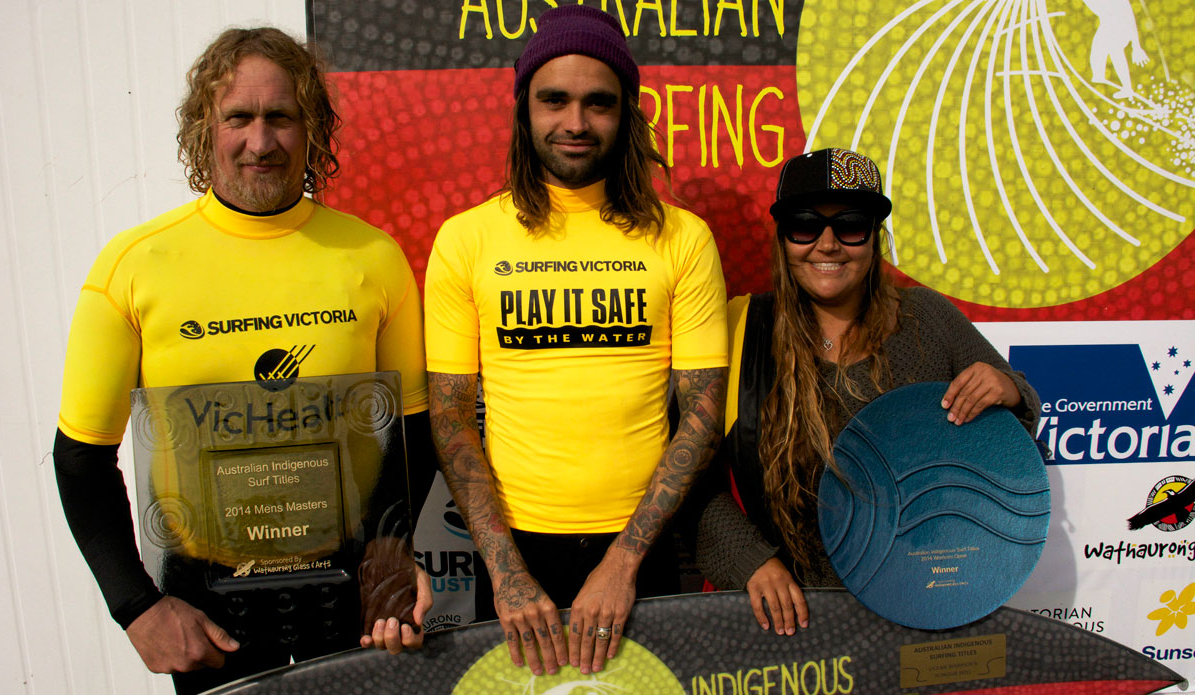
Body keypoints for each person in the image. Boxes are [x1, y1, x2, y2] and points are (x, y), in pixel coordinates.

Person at [53, 27, 432, 694]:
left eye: (280, 117)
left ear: (310, 126)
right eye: (240, 117)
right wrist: (136, 607)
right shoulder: (134, 267)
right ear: (206, 127)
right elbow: (80, 456)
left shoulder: (372, 258)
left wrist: (391, 553)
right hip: (208, 606)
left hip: (353, 594)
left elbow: (413, 435)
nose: (261, 142)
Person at [424, 4, 728, 678]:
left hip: (644, 550)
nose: (576, 123)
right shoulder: (466, 240)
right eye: (554, 99)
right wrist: (505, 573)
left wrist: (624, 561)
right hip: (515, 555)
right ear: (523, 108)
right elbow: (449, 416)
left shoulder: (682, 238)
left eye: (599, 102)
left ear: (626, 113)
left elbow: (703, 414)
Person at [694, 147, 1041, 636]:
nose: (828, 244)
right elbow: (690, 477)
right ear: (783, 238)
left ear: (875, 239)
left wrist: (1006, 389)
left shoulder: (926, 318)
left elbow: (1019, 416)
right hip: (782, 618)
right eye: (805, 225)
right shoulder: (741, 329)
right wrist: (751, 562)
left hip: (913, 609)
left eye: (851, 225)